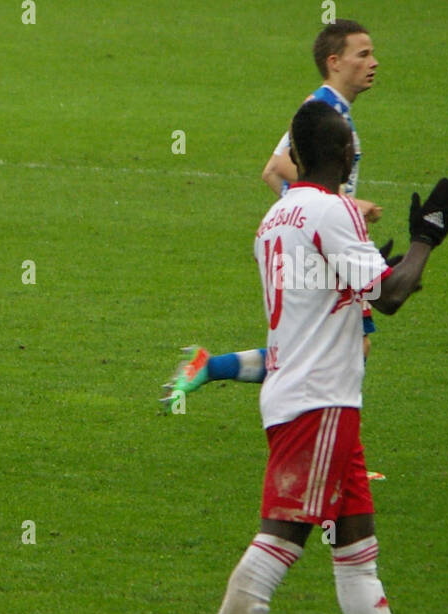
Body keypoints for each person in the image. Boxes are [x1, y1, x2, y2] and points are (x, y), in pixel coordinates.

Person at [174, 99, 448, 614]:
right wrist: (428, 237)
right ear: (347, 156)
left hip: (307, 398)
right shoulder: (334, 210)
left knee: (358, 551)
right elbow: (388, 297)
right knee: (281, 541)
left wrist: (365, 265)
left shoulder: (273, 219)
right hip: (320, 404)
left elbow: (314, 308)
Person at [164, 20, 388, 403]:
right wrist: (343, 207)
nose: (374, 62)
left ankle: (211, 366)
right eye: (363, 54)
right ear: (335, 62)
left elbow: (275, 172)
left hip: (317, 239)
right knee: (342, 350)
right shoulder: (322, 110)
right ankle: (339, 453)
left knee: (342, 347)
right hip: (323, 242)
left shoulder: (327, 108)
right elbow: (279, 166)